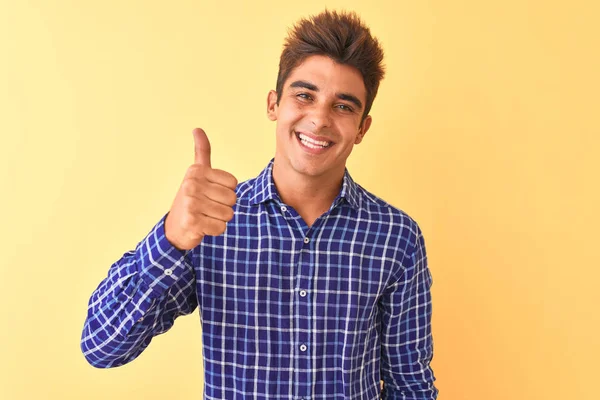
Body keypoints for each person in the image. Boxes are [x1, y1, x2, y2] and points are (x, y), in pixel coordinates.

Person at [81, 9, 438, 400]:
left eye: (343, 106)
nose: (319, 119)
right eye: (304, 95)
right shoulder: (213, 221)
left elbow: (410, 383)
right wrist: (169, 238)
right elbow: (102, 347)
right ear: (274, 105)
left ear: (362, 128)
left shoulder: (396, 237)